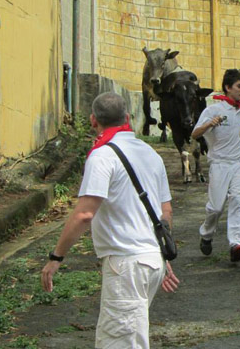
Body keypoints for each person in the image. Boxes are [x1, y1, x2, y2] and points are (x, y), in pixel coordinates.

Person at [41, 92, 179, 348]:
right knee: (126, 337)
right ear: (127, 118)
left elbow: (84, 214)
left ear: (93, 120)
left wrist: (56, 257)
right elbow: (165, 212)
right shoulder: (150, 153)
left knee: (120, 342)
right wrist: (159, 253)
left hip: (126, 263)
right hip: (150, 260)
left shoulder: (103, 156)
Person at [191, 69, 240, 262]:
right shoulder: (213, 110)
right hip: (219, 163)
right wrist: (209, 124)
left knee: (238, 200)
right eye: (239, 86)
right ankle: (206, 234)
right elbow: (195, 134)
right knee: (216, 208)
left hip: (239, 163)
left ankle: (236, 243)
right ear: (228, 87)